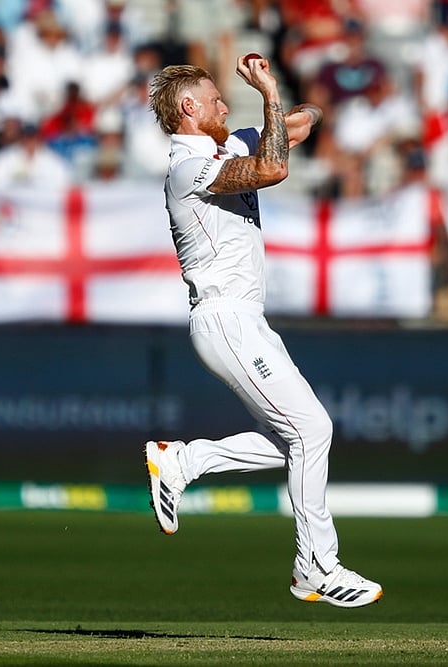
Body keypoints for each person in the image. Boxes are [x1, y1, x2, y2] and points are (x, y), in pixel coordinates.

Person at [144, 56, 383, 609]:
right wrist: (268, 94)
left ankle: (183, 462)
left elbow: (307, 121)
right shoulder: (187, 168)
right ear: (188, 108)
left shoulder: (231, 144)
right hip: (223, 315)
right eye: (215, 99)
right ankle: (316, 567)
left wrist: (285, 106)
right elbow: (274, 169)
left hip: (247, 319)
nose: (225, 105)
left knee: (291, 441)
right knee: (313, 430)